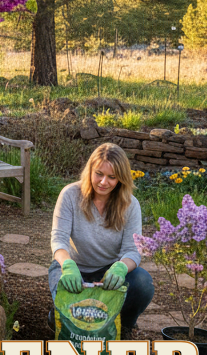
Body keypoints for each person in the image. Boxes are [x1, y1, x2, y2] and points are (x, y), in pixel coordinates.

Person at [48, 142, 154, 340]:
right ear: (90, 171)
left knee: (142, 282)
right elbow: (59, 239)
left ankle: (124, 325)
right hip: (72, 268)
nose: (104, 182)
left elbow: (132, 250)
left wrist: (121, 268)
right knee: (67, 322)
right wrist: (68, 265)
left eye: (112, 177)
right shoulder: (70, 195)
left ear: (121, 179)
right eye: (99, 174)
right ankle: (60, 318)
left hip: (108, 272)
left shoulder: (130, 205)